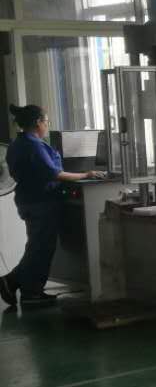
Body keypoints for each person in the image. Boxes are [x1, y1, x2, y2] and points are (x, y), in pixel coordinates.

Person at [1, 105, 106, 309]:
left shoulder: (17, 144)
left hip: (27, 200)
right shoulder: (34, 146)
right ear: (37, 122)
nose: (47, 125)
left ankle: (26, 289)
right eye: (46, 121)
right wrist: (87, 174)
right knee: (40, 249)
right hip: (41, 202)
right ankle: (17, 284)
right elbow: (55, 173)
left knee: (37, 246)